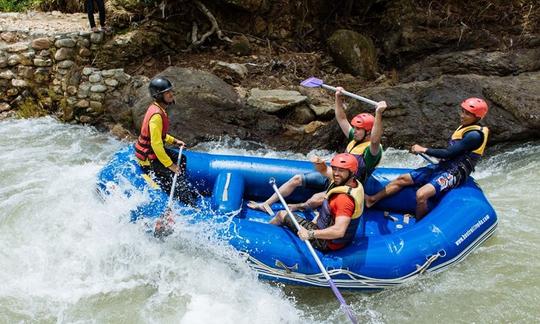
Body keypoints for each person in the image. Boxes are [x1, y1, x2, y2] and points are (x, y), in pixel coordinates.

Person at [248, 86, 386, 215]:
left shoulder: (372, 152)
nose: (354, 131)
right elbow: (341, 118)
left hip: (346, 185)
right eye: (354, 128)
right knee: (296, 179)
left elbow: (375, 140)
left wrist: (378, 113)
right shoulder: (355, 139)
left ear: (368, 132)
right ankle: (265, 204)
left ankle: (299, 206)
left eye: (358, 129)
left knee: (315, 199)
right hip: (334, 175)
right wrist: (338, 97)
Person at [365, 97, 490, 220]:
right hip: (444, 166)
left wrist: (423, 149)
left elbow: (448, 153)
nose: (462, 115)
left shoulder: (474, 135)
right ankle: (372, 199)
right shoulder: (466, 126)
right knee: (402, 179)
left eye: (468, 114)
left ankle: (419, 223)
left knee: (421, 195)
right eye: (462, 111)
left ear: (477, 117)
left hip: (455, 172)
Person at [270, 153, 364, 251]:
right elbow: (324, 170)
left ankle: (264, 233)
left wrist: (310, 234)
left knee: (281, 214)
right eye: (334, 168)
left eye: (341, 170)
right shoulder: (350, 182)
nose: (336, 173)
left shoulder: (343, 199)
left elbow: (339, 231)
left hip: (326, 242)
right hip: (330, 232)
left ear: (352, 172)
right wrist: (320, 163)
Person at [135, 77, 196, 205]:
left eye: (170, 91)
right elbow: (156, 145)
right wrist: (171, 166)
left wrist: (174, 141)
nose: (171, 94)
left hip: (154, 152)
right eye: (167, 93)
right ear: (158, 96)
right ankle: (187, 202)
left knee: (182, 159)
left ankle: (173, 186)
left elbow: (159, 136)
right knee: (176, 173)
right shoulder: (156, 116)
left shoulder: (159, 109)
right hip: (150, 157)